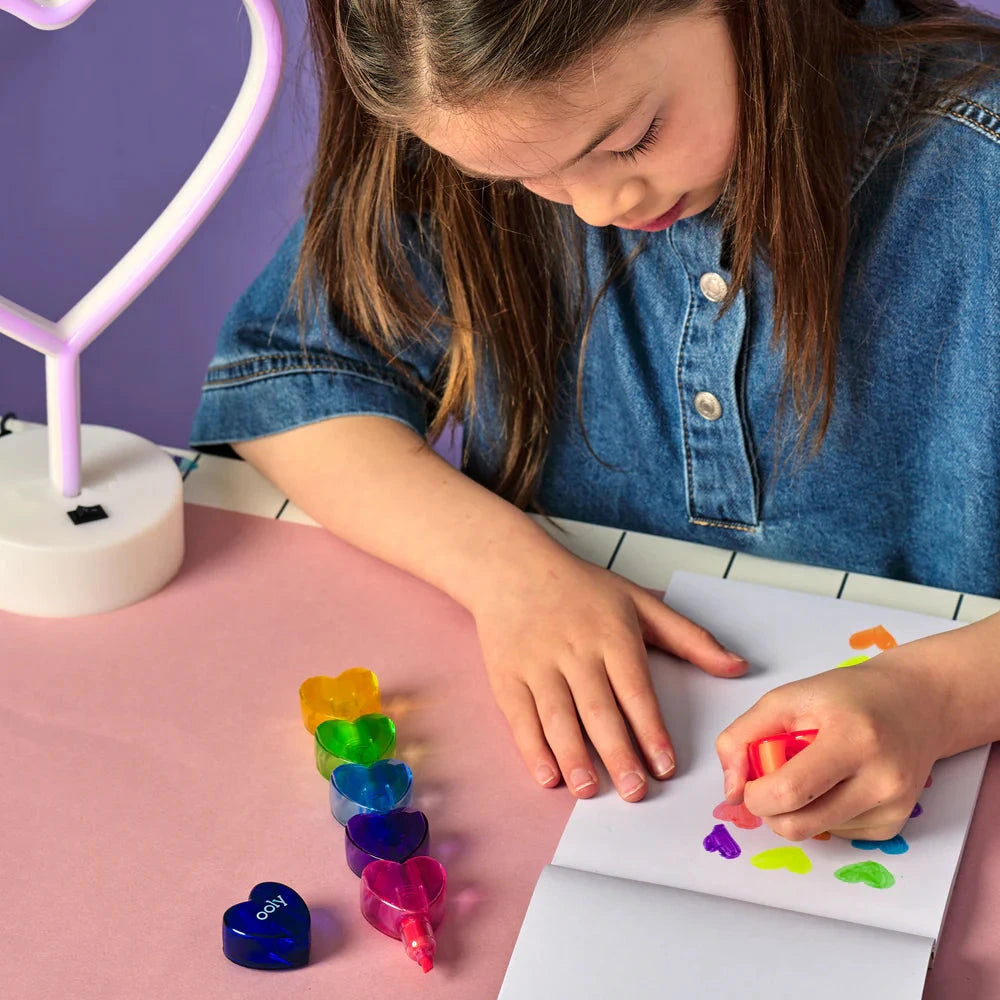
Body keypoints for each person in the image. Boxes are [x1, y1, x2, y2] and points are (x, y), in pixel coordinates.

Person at [192, 0, 1000, 840]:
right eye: (514, 180)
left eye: (630, 140)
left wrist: (936, 698)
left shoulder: (980, 170)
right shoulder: (486, 119)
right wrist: (510, 574)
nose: (595, 206)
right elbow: (294, 381)